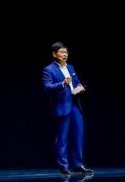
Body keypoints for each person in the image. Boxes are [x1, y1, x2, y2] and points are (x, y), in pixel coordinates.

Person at [42, 42, 92, 175]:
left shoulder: (70, 67)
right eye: (62, 52)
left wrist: (80, 87)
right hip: (62, 107)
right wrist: (62, 83)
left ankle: (78, 164)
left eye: (66, 52)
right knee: (62, 138)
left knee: (78, 135)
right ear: (54, 54)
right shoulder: (49, 69)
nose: (65, 54)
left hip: (75, 105)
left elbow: (76, 83)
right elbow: (47, 87)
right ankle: (64, 166)